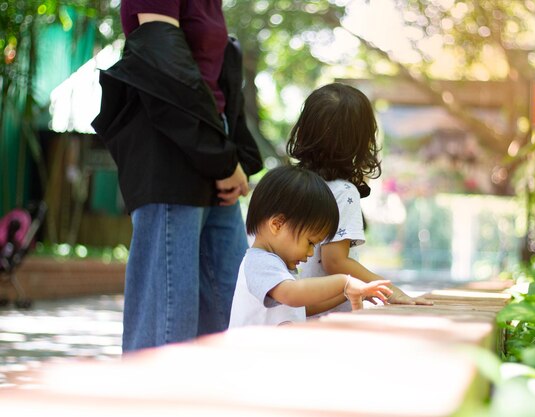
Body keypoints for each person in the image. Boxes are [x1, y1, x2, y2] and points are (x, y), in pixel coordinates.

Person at [91, 1, 263, 352]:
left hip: (213, 142)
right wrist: (222, 158)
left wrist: (230, 155)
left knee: (232, 308)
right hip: (171, 146)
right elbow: (162, 65)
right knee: (171, 319)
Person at [286, 83, 431, 317]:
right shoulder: (343, 191)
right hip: (326, 317)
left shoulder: (289, 182)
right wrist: (390, 290)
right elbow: (335, 261)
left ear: (303, 131)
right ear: (360, 140)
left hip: (293, 311)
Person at [229, 166, 393, 327]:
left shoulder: (279, 266)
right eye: (310, 242)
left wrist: (348, 293)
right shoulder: (260, 262)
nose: (311, 252)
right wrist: (344, 282)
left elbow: (302, 307)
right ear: (277, 225)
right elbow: (292, 294)